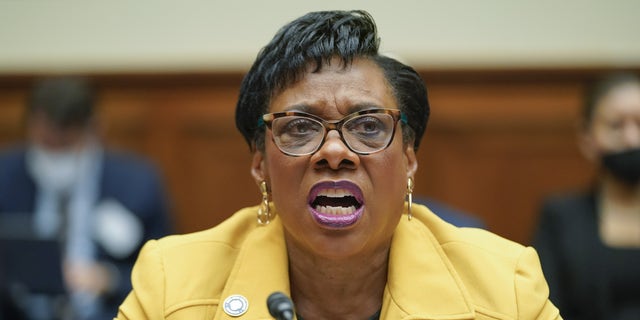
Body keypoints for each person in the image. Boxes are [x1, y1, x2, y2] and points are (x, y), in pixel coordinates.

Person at [116, 10, 560, 319]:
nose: (334, 151)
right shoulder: (172, 283)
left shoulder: (507, 287)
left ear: (408, 158)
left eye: (368, 126)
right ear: (260, 164)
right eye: (299, 128)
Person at [0, 76, 174, 320]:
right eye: (46, 143)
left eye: (66, 143)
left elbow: (166, 274)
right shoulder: (5, 177)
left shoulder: (138, 184)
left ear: (95, 128)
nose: (54, 154)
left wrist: (109, 279)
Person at [532, 72, 640, 320]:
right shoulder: (560, 219)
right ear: (587, 137)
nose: (632, 139)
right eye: (616, 126)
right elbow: (546, 304)